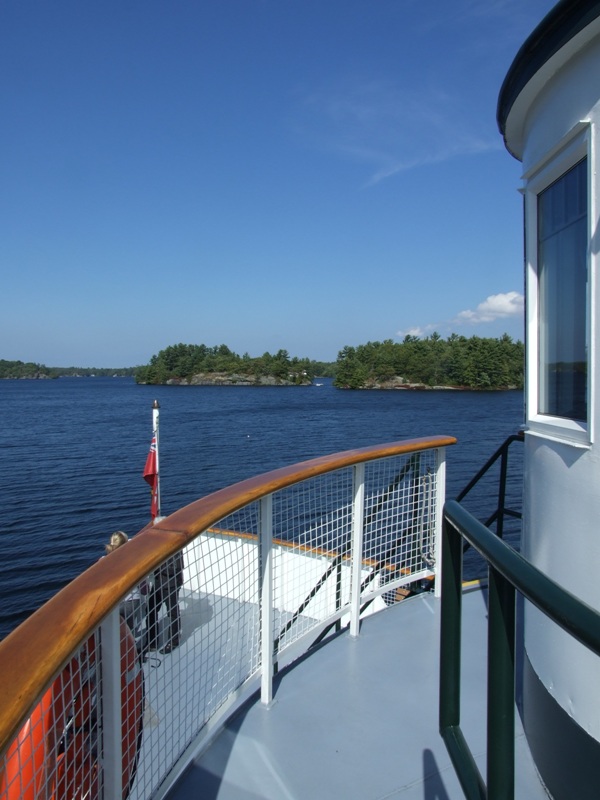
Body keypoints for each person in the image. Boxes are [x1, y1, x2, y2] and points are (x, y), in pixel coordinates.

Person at [145, 550, 184, 655]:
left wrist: (156, 564)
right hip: (159, 582)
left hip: (171, 584)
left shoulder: (175, 547)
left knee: (172, 612)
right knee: (150, 610)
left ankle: (173, 641)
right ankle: (152, 642)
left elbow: (175, 568)